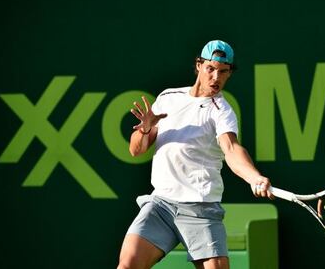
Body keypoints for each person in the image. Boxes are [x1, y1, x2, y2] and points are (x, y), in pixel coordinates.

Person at [117, 40, 273, 269]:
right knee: (127, 265)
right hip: (160, 205)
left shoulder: (222, 111)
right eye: (210, 68)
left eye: (223, 72)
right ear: (198, 65)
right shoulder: (168, 98)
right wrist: (146, 128)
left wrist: (254, 177)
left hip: (200, 209)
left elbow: (231, 149)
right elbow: (136, 149)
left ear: (229, 74)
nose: (215, 77)